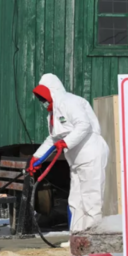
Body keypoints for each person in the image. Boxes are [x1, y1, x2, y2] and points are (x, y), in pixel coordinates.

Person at [29, 73, 109, 233]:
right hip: (75, 160)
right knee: (76, 200)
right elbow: (53, 139)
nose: (43, 101)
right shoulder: (52, 115)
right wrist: (36, 157)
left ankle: (94, 238)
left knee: (91, 198)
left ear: (52, 91)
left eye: (43, 96)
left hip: (90, 154)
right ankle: (77, 237)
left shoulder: (69, 102)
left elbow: (84, 125)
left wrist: (66, 142)